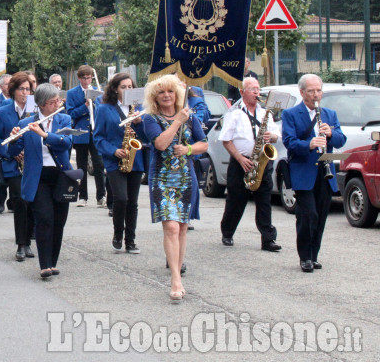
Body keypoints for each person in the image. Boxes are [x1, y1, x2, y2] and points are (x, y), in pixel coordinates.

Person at [142, 74, 207, 301]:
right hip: (161, 178)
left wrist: (188, 150)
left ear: (177, 94)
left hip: (185, 178)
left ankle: (177, 271)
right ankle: (175, 279)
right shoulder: (151, 118)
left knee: (181, 228)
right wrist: (177, 121)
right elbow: (159, 144)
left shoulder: (191, 118)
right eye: (161, 92)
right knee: (169, 226)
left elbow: (204, 143)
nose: (166, 95)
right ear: (155, 97)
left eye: (170, 91)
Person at [7, 83, 73, 279]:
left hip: (61, 175)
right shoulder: (27, 122)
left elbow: (66, 144)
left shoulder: (64, 119)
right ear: (42, 105)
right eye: (53, 102)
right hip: (38, 177)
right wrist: (12, 140)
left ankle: (53, 262)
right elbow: (11, 152)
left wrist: (44, 135)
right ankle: (44, 265)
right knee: (45, 219)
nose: (57, 104)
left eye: (58, 101)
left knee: (59, 222)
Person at [282, 74, 346, 273]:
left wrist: (330, 134)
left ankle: (314, 255)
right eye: (311, 91)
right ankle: (305, 257)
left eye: (318, 90)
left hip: (325, 171)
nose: (316, 94)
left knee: (321, 216)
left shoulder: (330, 114)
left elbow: (340, 140)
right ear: (302, 93)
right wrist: (309, 144)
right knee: (307, 215)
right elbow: (289, 142)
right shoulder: (291, 114)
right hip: (303, 171)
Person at [218, 77, 282, 252]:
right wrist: (240, 159)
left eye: (258, 89)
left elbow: (277, 135)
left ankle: (268, 239)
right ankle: (228, 232)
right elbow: (226, 140)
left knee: (264, 202)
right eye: (252, 89)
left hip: (261, 162)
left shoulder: (264, 113)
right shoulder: (235, 113)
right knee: (236, 201)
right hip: (242, 162)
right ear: (242, 92)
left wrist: (272, 137)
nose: (256, 92)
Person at [93, 73, 146, 254]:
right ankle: (118, 233)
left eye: (130, 87)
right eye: (123, 87)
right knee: (121, 198)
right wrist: (113, 151)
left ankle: (130, 241)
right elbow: (98, 137)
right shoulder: (104, 108)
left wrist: (140, 123)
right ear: (115, 89)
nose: (127, 90)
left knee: (133, 202)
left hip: (135, 159)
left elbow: (147, 137)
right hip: (115, 160)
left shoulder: (139, 108)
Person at [0, 72, 35, 261]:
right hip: (13, 166)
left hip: (33, 165)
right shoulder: (2, 112)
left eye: (28, 89)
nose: (25, 93)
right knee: (19, 203)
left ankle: (29, 240)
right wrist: (12, 151)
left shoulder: (36, 111)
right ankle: (21, 244)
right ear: (13, 90)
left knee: (31, 204)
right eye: (21, 89)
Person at [66, 65, 106, 207]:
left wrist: (95, 105)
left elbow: (103, 111)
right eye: (84, 78)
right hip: (81, 132)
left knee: (99, 165)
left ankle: (101, 196)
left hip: (95, 132)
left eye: (89, 78)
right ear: (79, 78)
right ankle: (82, 196)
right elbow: (71, 113)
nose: (87, 81)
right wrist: (85, 106)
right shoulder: (72, 93)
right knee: (82, 166)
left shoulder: (97, 91)